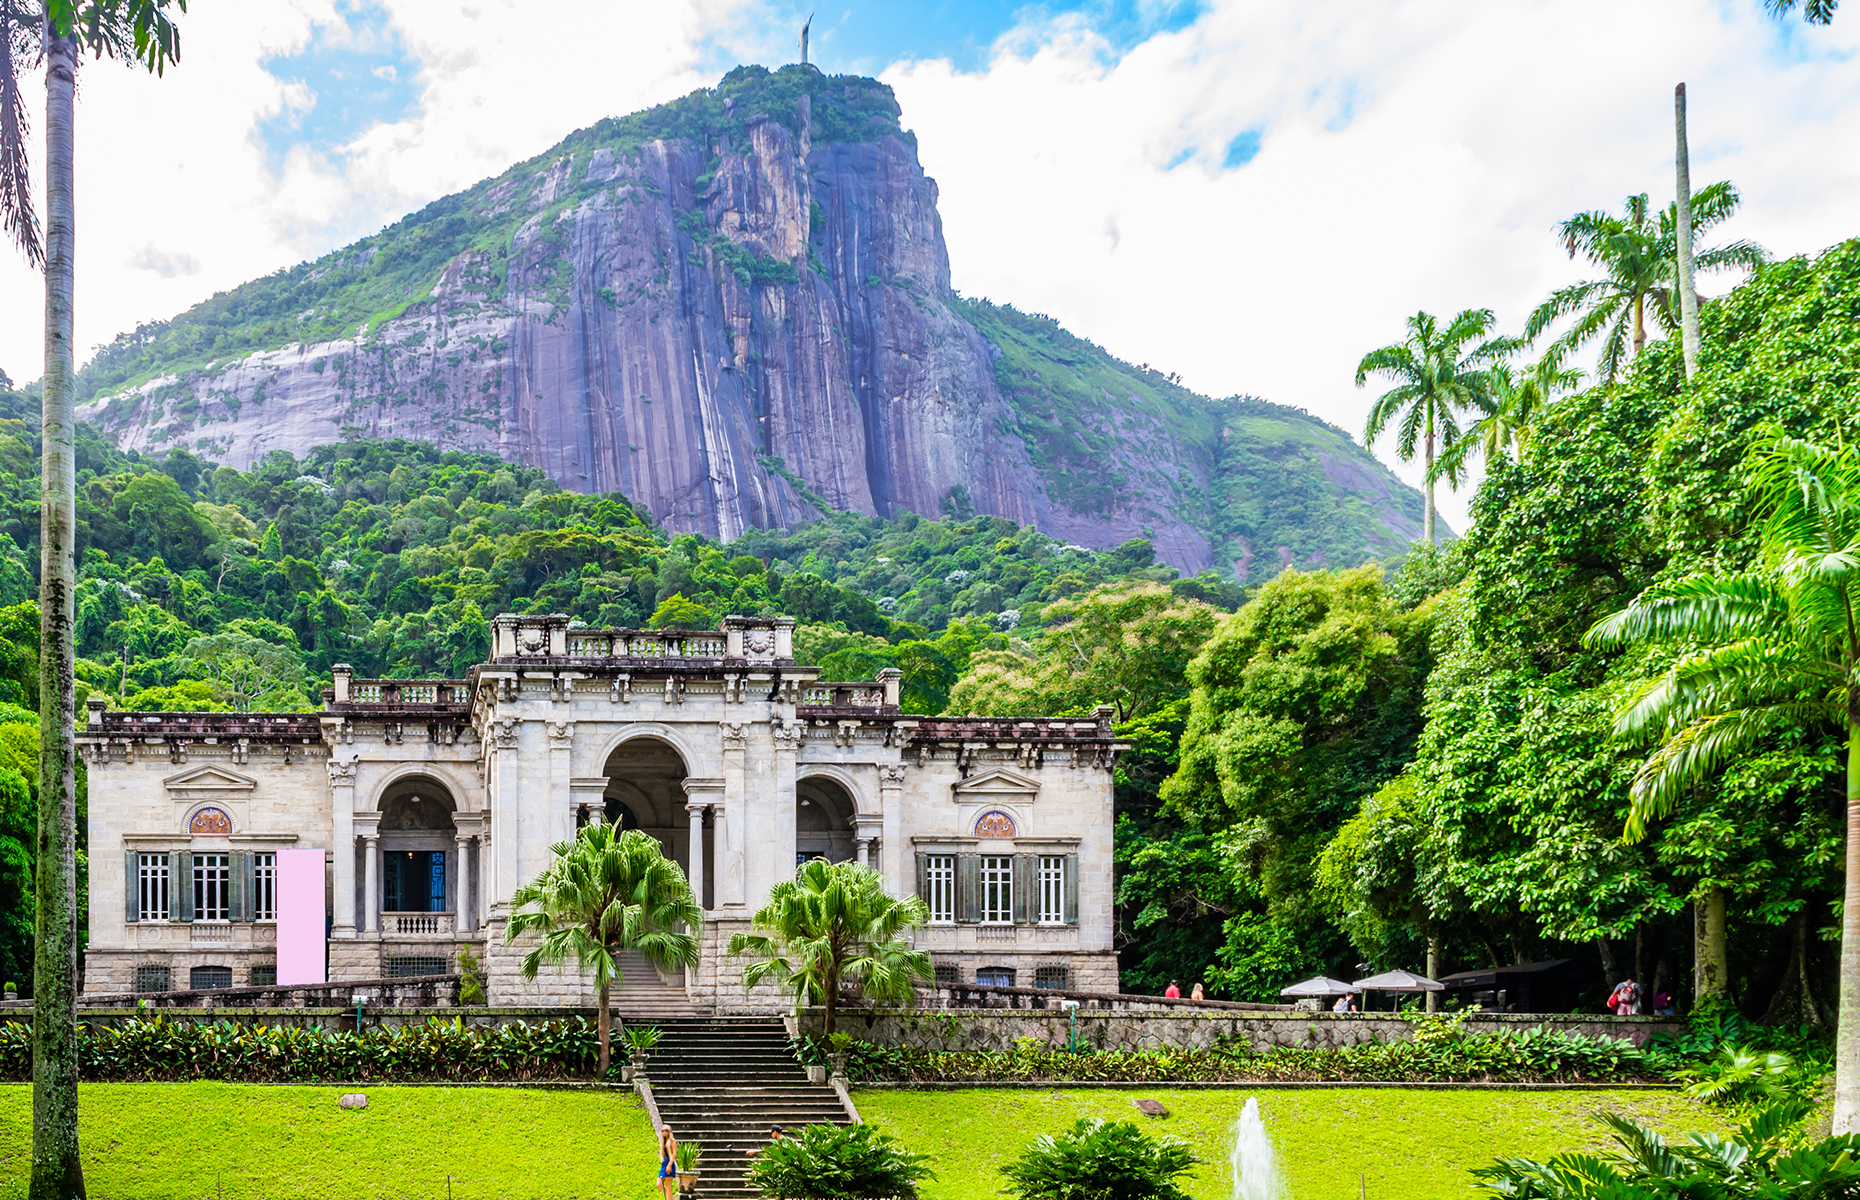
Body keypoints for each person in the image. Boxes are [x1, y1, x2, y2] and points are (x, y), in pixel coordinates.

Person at [657, 1126, 679, 1200]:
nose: (664, 1132)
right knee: (659, 1184)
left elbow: (674, 1154)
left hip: (669, 1162)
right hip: (664, 1163)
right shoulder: (664, 1141)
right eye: (662, 1131)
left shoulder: (672, 1141)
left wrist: (669, 1165)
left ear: (669, 1131)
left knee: (668, 1185)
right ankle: (671, 1198)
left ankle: (670, 1198)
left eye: (666, 1130)